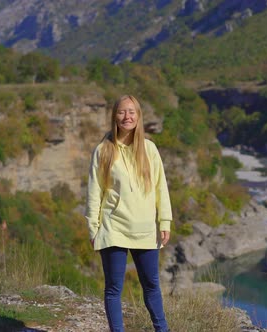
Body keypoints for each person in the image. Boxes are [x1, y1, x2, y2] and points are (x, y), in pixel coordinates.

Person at [85, 95, 172, 332]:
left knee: (152, 286)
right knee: (114, 289)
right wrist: (93, 228)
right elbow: (95, 192)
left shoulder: (150, 149)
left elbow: (160, 187)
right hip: (114, 229)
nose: (127, 117)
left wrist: (165, 221)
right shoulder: (103, 150)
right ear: (114, 115)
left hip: (145, 229)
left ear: (139, 116)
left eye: (132, 112)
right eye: (122, 112)